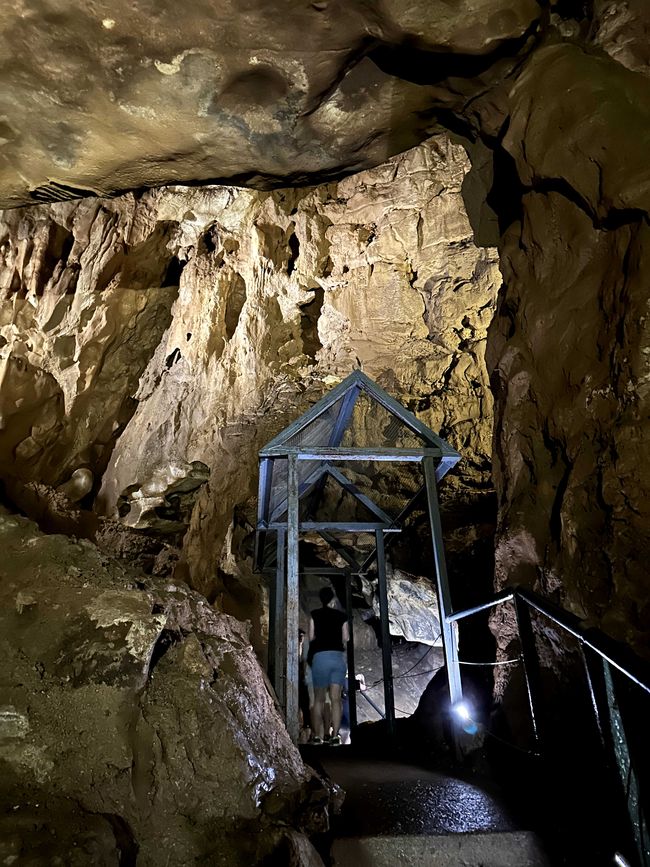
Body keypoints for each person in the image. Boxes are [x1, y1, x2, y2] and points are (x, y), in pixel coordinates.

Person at [308, 586, 349, 745]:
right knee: (336, 699)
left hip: (320, 658)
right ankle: (335, 736)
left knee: (318, 699)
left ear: (321, 599)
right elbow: (346, 638)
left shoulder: (314, 615)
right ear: (332, 599)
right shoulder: (342, 616)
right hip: (337, 658)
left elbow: (311, 637)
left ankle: (317, 736)